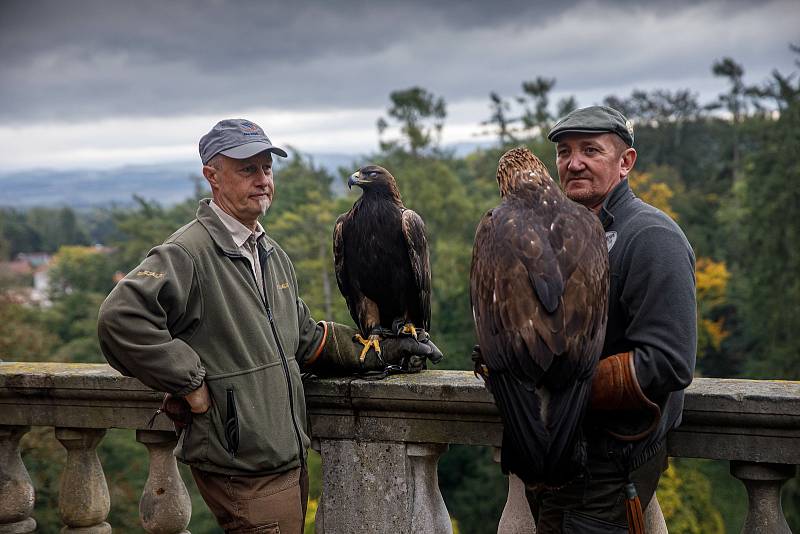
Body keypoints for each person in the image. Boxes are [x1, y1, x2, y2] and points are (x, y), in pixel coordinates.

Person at [97, 118, 441, 534]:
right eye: (247, 170)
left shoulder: (269, 253)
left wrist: (383, 350)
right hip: (242, 465)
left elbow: (305, 339)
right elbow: (120, 320)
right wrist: (190, 382)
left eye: (266, 168)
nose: (262, 180)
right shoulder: (188, 252)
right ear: (212, 177)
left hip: (284, 457)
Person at [526, 106, 697, 533]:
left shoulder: (651, 237)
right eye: (564, 152)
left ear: (626, 162)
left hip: (610, 471)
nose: (573, 163)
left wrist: (567, 388)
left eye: (590, 150)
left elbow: (669, 361)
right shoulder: (559, 238)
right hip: (560, 464)